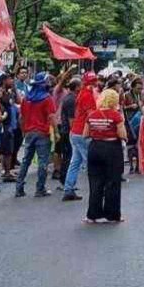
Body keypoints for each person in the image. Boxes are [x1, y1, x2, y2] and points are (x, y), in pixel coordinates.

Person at [83, 89, 127, 224]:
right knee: (113, 182)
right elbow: (122, 135)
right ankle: (112, 214)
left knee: (95, 182)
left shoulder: (91, 115)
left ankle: (93, 214)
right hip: (112, 148)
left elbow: (85, 134)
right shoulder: (116, 116)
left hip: (95, 148)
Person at [16, 73, 55, 198]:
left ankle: (19, 187)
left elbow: (21, 117)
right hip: (43, 133)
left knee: (25, 160)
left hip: (29, 132)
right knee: (43, 162)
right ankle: (40, 188)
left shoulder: (26, 99)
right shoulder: (47, 98)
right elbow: (51, 117)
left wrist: (24, 131)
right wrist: (56, 132)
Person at [62, 72, 99, 202]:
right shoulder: (87, 95)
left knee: (76, 162)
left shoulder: (82, 93)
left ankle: (68, 189)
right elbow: (91, 116)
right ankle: (96, 190)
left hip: (75, 132)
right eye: (93, 82)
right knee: (90, 162)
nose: (94, 84)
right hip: (82, 132)